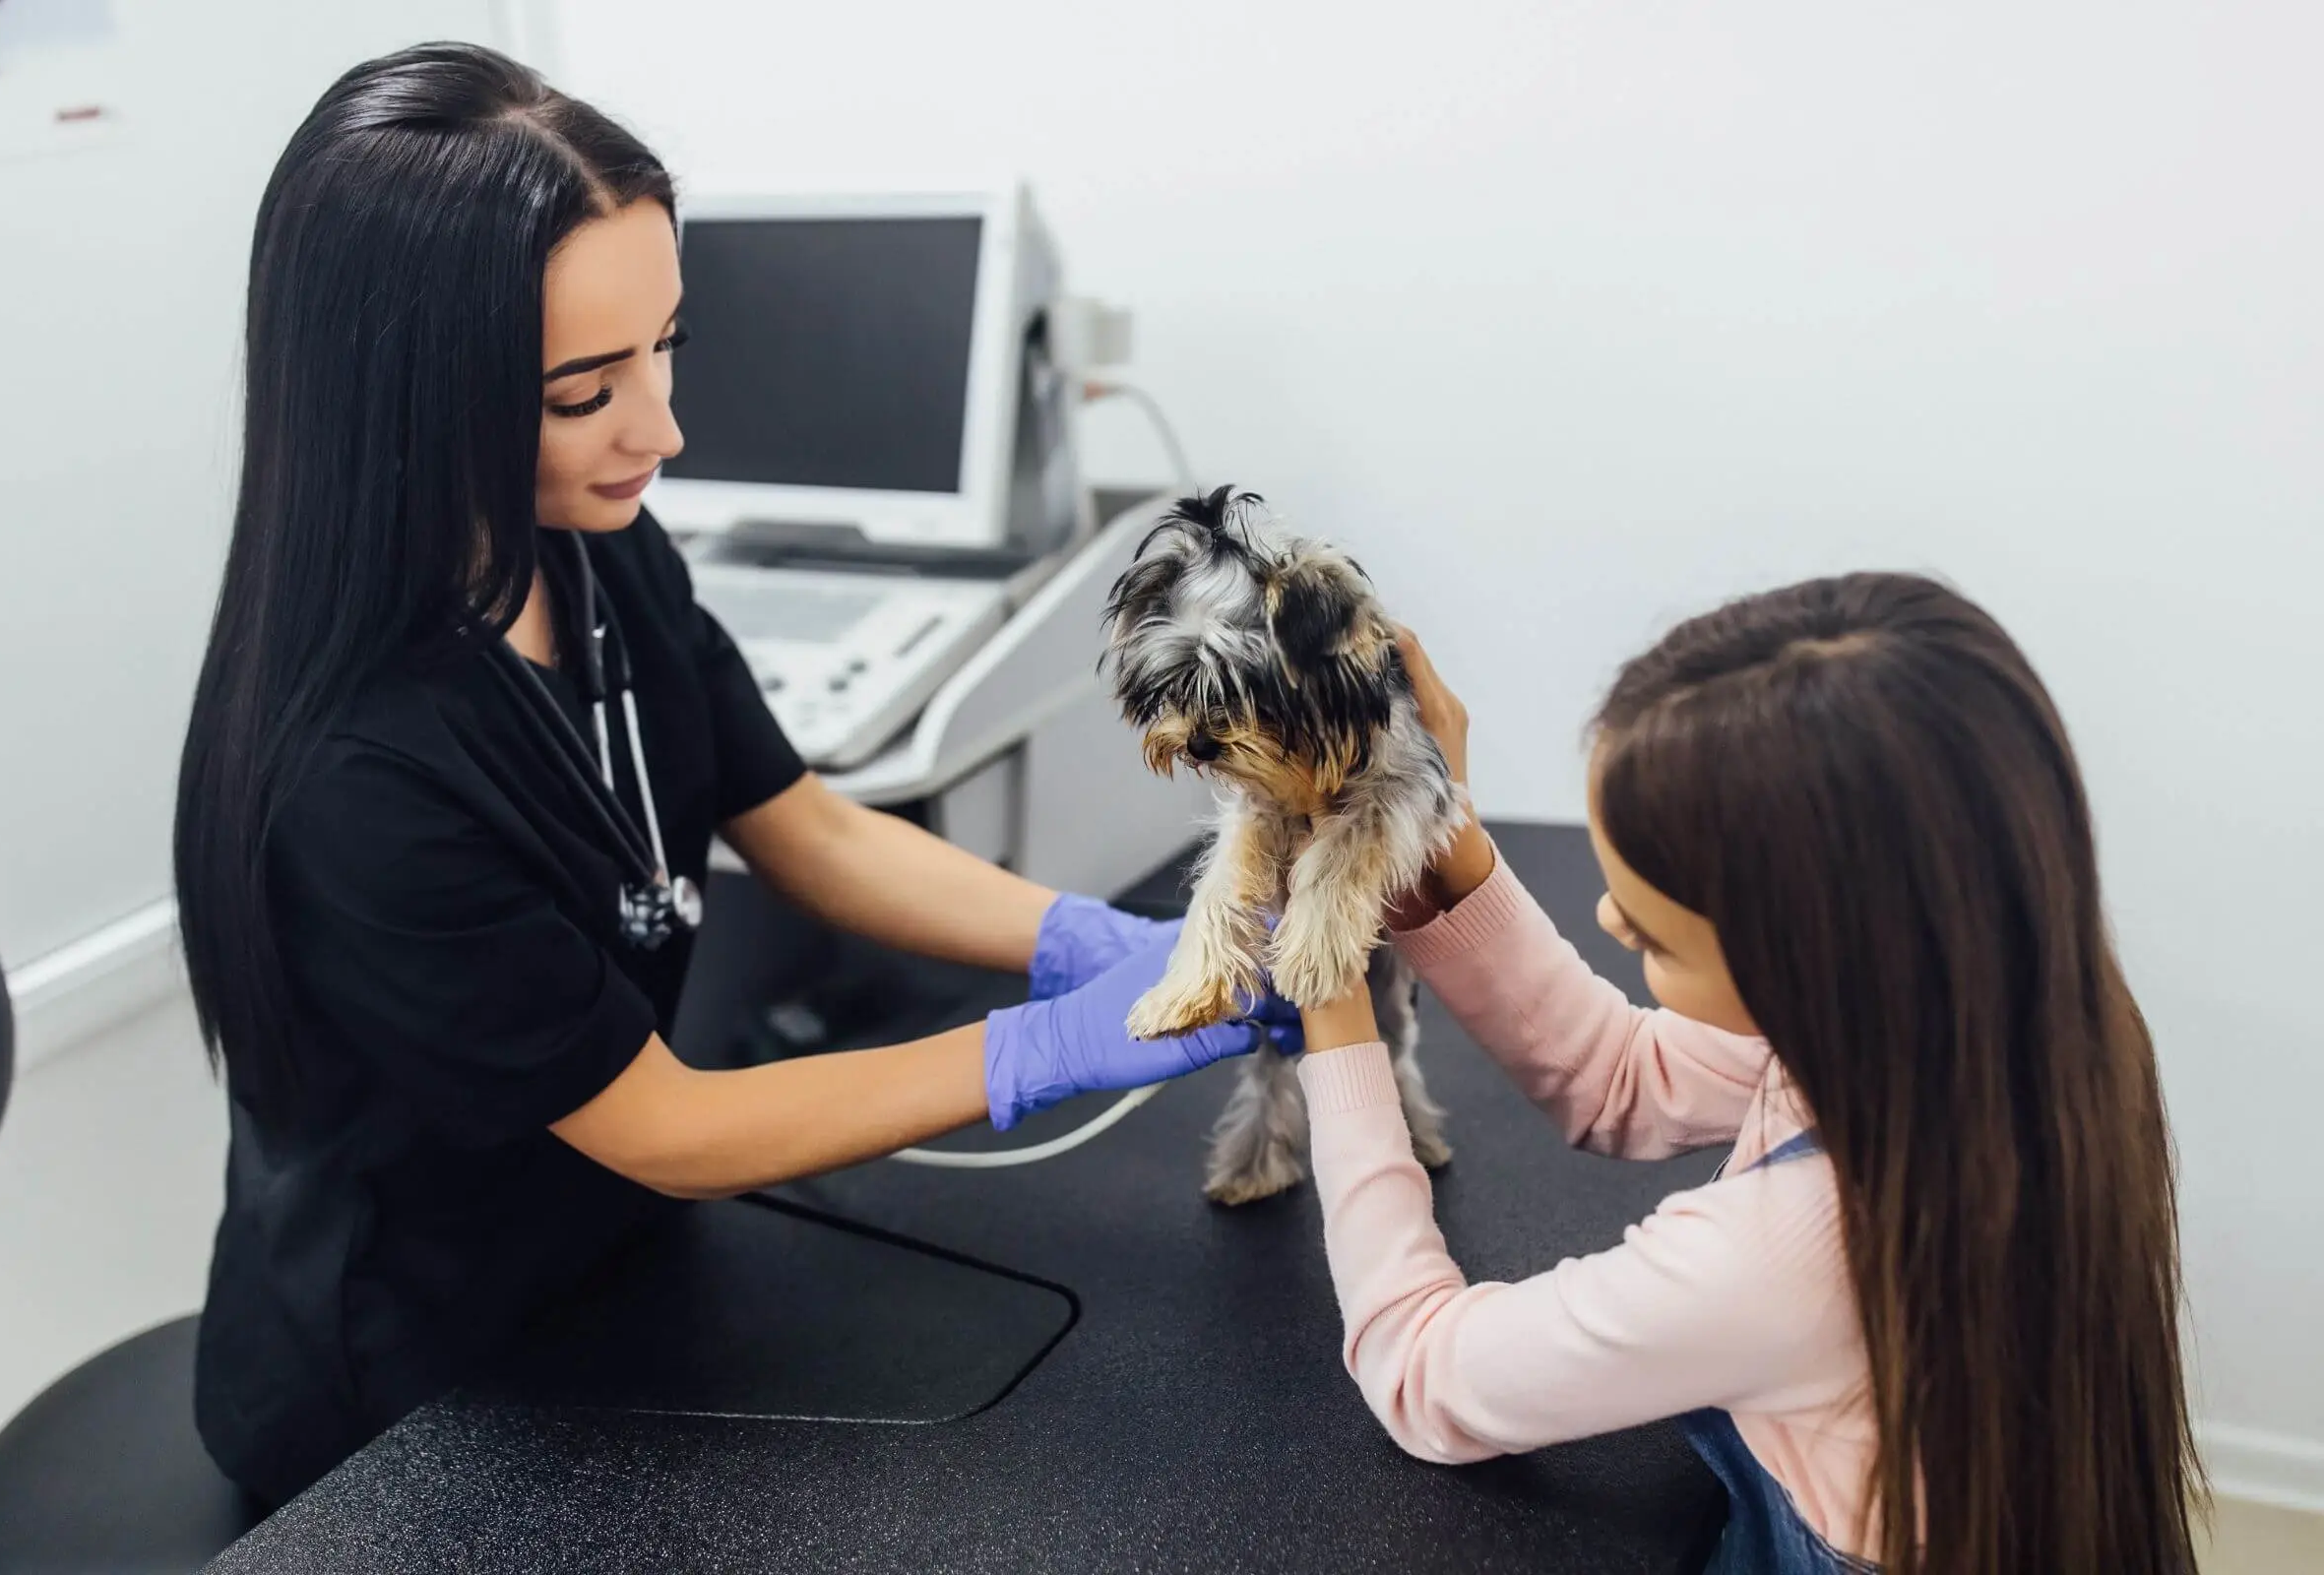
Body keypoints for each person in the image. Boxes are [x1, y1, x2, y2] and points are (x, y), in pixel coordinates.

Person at [171, 42, 1288, 1509]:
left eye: (666, 346)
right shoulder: (357, 777)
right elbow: (671, 1127)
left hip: (615, 1270)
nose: (663, 428)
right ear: (411, 397)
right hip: (407, 1400)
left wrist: (1093, 941)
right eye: (587, 389)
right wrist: (1047, 1047)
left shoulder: (595, 551)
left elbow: (813, 829)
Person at [1290, 581, 2201, 1573]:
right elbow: (1620, 1079)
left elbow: (1422, 1373)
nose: (1609, 919)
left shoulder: (1781, 1257)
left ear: (1801, 960)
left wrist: (1331, 1004)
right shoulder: (1999, 1021)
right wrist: (1444, 843)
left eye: (1655, 937)